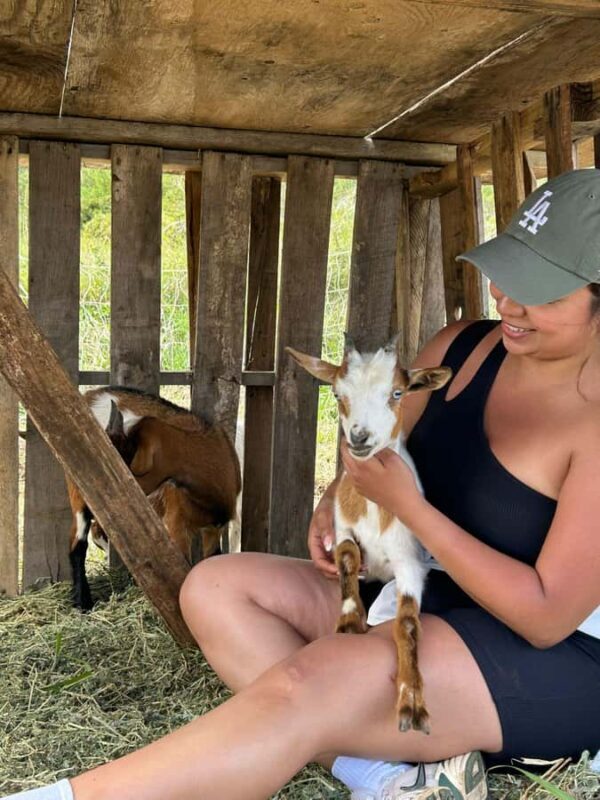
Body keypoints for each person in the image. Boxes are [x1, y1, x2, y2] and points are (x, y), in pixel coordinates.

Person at [5, 168, 600, 800]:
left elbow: (543, 615)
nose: (507, 302)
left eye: (540, 292)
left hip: (544, 658)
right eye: (506, 275)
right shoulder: (465, 348)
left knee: (309, 682)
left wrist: (410, 509)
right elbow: (377, 440)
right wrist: (335, 496)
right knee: (214, 588)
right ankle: (384, 773)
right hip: (418, 593)